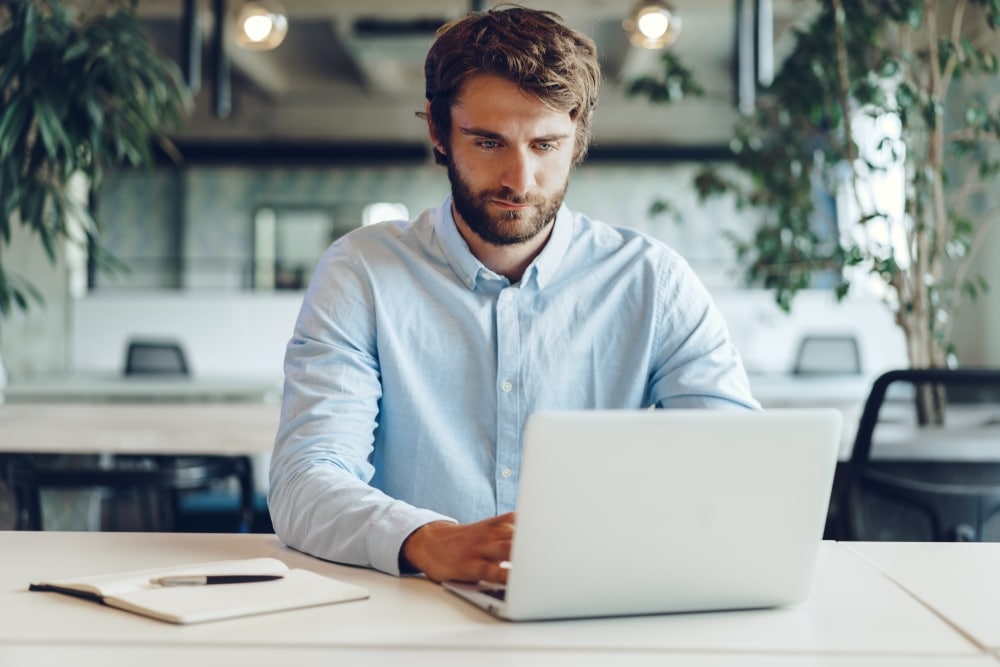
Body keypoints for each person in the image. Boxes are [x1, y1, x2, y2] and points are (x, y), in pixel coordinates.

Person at [268, 6, 759, 586]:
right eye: (488, 142)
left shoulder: (653, 280)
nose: (519, 182)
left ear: (578, 136)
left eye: (546, 145)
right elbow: (306, 479)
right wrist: (426, 540)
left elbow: (735, 469)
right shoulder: (362, 273)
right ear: (437, 131)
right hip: (410, 606)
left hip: (597, 599)